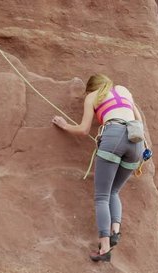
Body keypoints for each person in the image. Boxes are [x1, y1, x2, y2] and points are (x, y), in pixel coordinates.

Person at [52, 74, 144, 262]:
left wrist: (65, 125)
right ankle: (115, 231)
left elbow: (84, 129)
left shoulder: (93, 96)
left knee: (101, 196)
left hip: (114, 136)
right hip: (136, 142)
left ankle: (104, 247)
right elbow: (139, 118)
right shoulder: (124, 90)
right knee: (114, 191)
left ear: (91, 88)